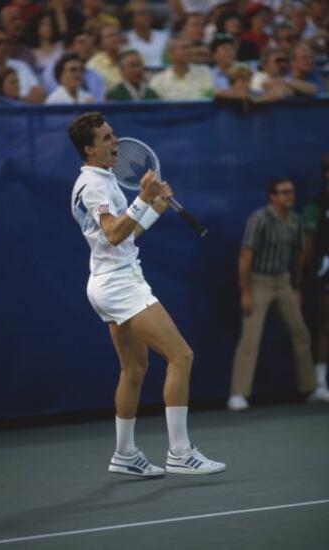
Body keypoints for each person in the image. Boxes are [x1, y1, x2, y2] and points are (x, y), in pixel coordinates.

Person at [68, 111, 227, 477]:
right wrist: (141, 199)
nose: (116, 143)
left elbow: (125, 238)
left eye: (114, 135)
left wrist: (153, 207)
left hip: (107, 279)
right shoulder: (95, 186)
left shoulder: (98, 179)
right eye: (107, 138)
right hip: (120, 285)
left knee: (134, 368)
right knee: (181, 356)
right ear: (89, 149)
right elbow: (112, 233)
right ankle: (180, 452)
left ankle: (125, 454)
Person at [227, 178, 329, 412]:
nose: (290, 196)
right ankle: (238, 394)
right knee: (251, 337)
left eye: (292, 192)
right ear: (272, 196)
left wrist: (296, 287)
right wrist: (246, 292)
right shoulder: (259, 219)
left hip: (283, 281)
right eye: (284, 192)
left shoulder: (295, 221)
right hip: (259, 282)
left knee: (301, 333)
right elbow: (245, 256)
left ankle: (311, 388)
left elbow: (300, 255)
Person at [302, 152, 329, 394]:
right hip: (325, 273)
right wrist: (309, 276)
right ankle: (320, 383)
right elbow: (308, 245)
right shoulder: (316, 206)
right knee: (325, 325)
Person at [0, 24, 45, 104]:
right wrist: (25, 100)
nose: (4, 46)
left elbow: (40, 95)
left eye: (7, 42)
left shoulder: (21, 66)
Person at [149, 36, 214, 100]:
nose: (189, 51)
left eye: (190, 48)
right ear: (171, 53)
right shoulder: (158, 81)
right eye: (184, 48)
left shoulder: (205, 72)